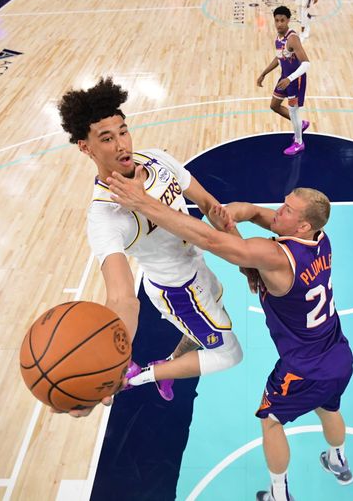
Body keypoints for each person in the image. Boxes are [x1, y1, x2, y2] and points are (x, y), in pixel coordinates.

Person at [107, 177, 353, 501]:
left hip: (304, 368)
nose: (278, 211)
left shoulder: (277, 256)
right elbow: (252, 212)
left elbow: (211, 241)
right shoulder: (320, 239)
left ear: (303, 225)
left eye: (287, 210)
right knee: (329, 408)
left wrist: (145, 203)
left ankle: (279, 496)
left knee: (271, 421)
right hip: (338, 354)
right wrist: (225, 213)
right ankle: (338, 460)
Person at [55, 77, 243, 416]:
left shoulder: (157, 159)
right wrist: (112, 362)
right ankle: (143, 375)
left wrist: (242, 253)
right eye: (106, 138)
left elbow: (208, 204)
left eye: (123, 131)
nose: (121, 145)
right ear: (86, 147)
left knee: (217, 298)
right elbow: (122, 296)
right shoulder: (104, 216)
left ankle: (172, 361)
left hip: (197, 263)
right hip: (178, 290)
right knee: (229, 355)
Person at [257, 6, 311, 157]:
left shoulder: (292, 38)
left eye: (282, 20)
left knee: (293, 111)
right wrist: (264, 73)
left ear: (288, 20)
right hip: (285, 78)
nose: (279, 23)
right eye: (276, 20)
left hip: (295, 80)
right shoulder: (278, 38)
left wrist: (289, 78)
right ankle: (301, 124)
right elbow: (279, 58)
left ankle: (299, 143)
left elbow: (307, 64)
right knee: (274, 105)